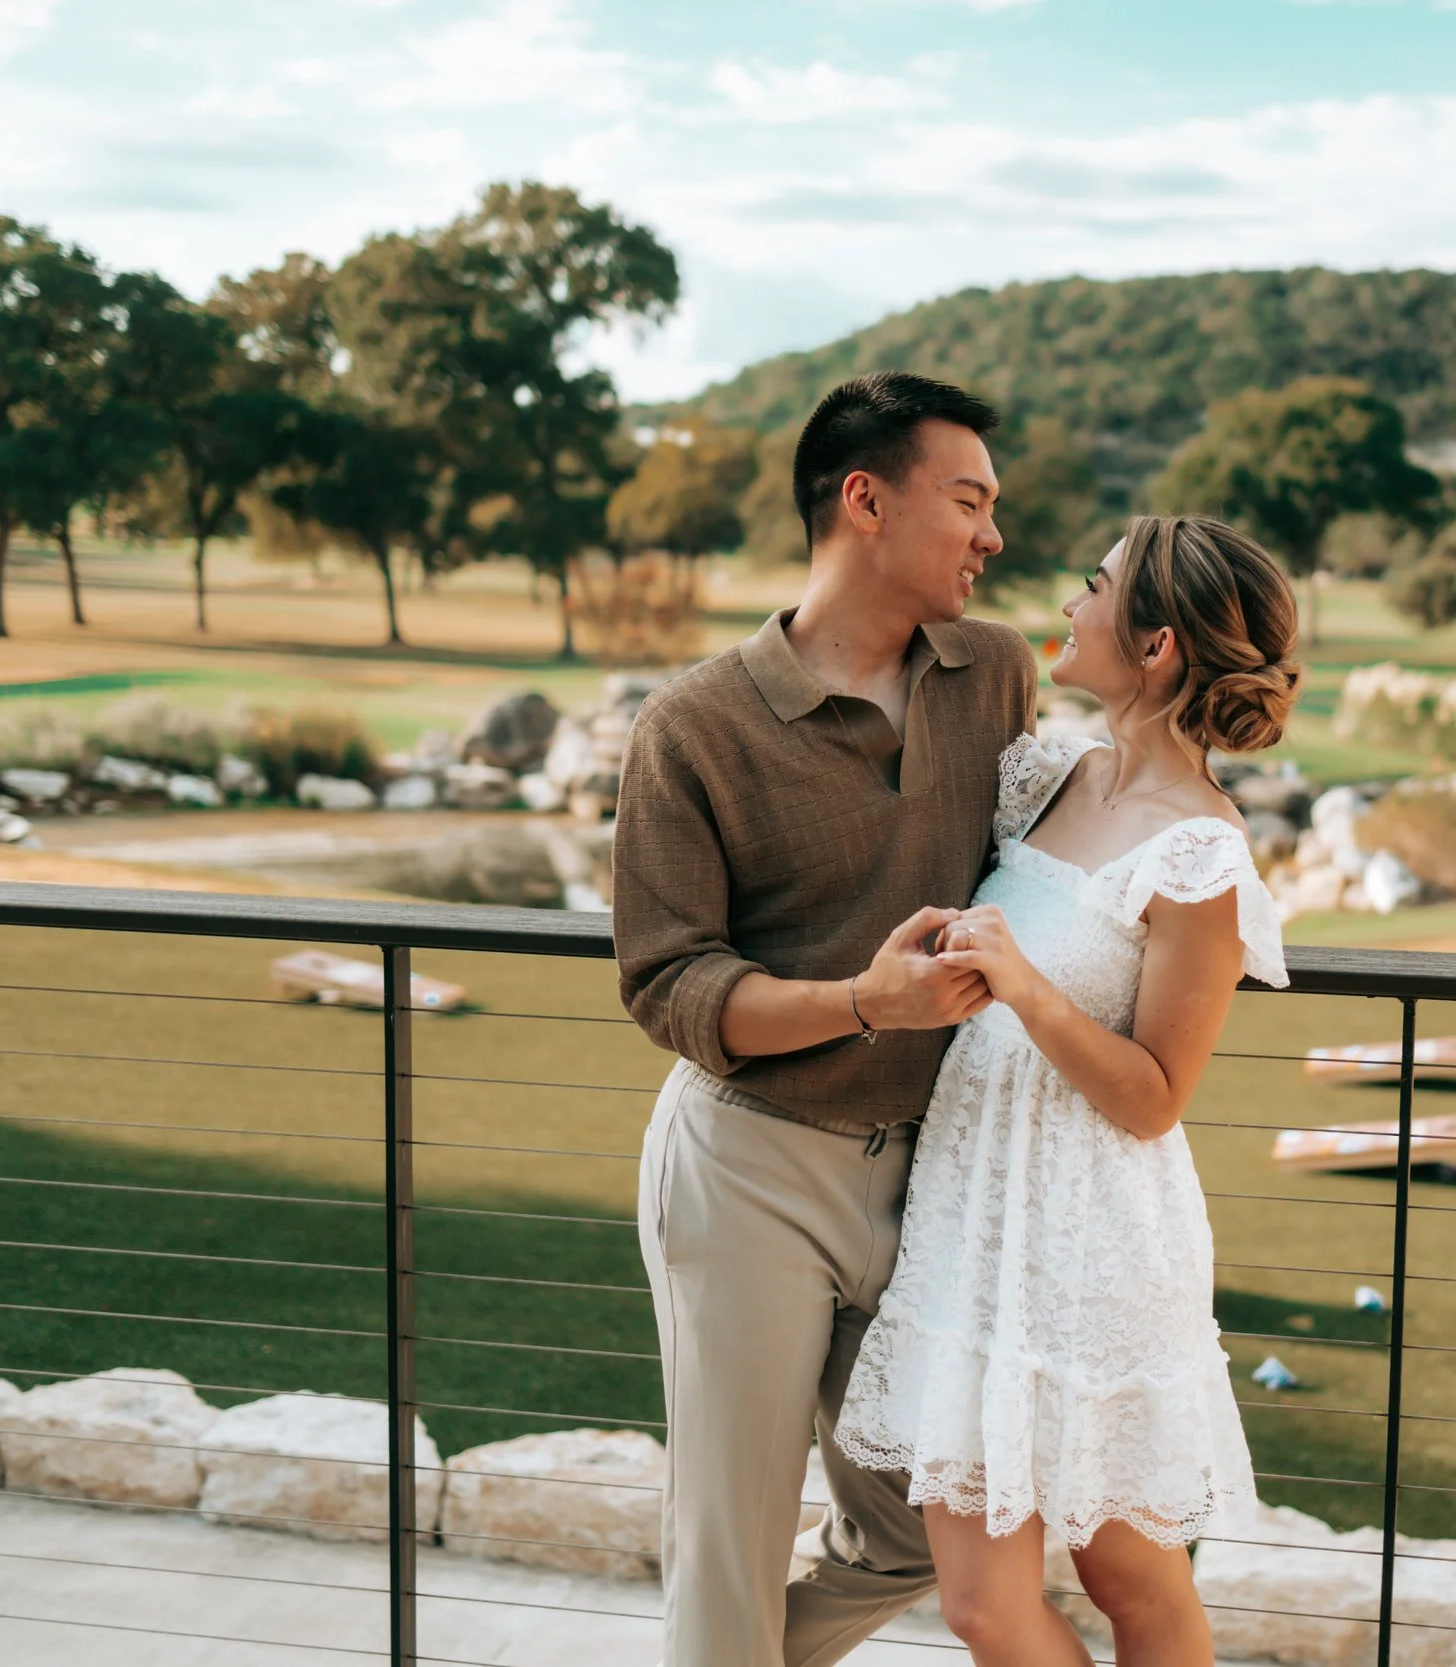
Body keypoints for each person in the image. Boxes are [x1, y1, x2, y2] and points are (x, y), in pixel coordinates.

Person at [616, 371, 1040, 1667]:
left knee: (924, 1529)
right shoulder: (692, 725)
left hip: (935, 1181)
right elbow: (669, 983)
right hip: (750, 1165)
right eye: (968, 500)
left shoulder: (997, 675)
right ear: (866, 501)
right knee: (729, 1554)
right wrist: (868, 998)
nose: (993, 535)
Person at [835, 514, 1301, 1665]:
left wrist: (1023, 984)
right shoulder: (1043, 777)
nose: (1065, 606)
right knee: (983, 1604)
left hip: (1097, 1237)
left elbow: (1152, 1097)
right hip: (973, 1217)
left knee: (1128, 1571)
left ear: (1153, 647)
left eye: (1091, 587)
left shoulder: (1200, 854)